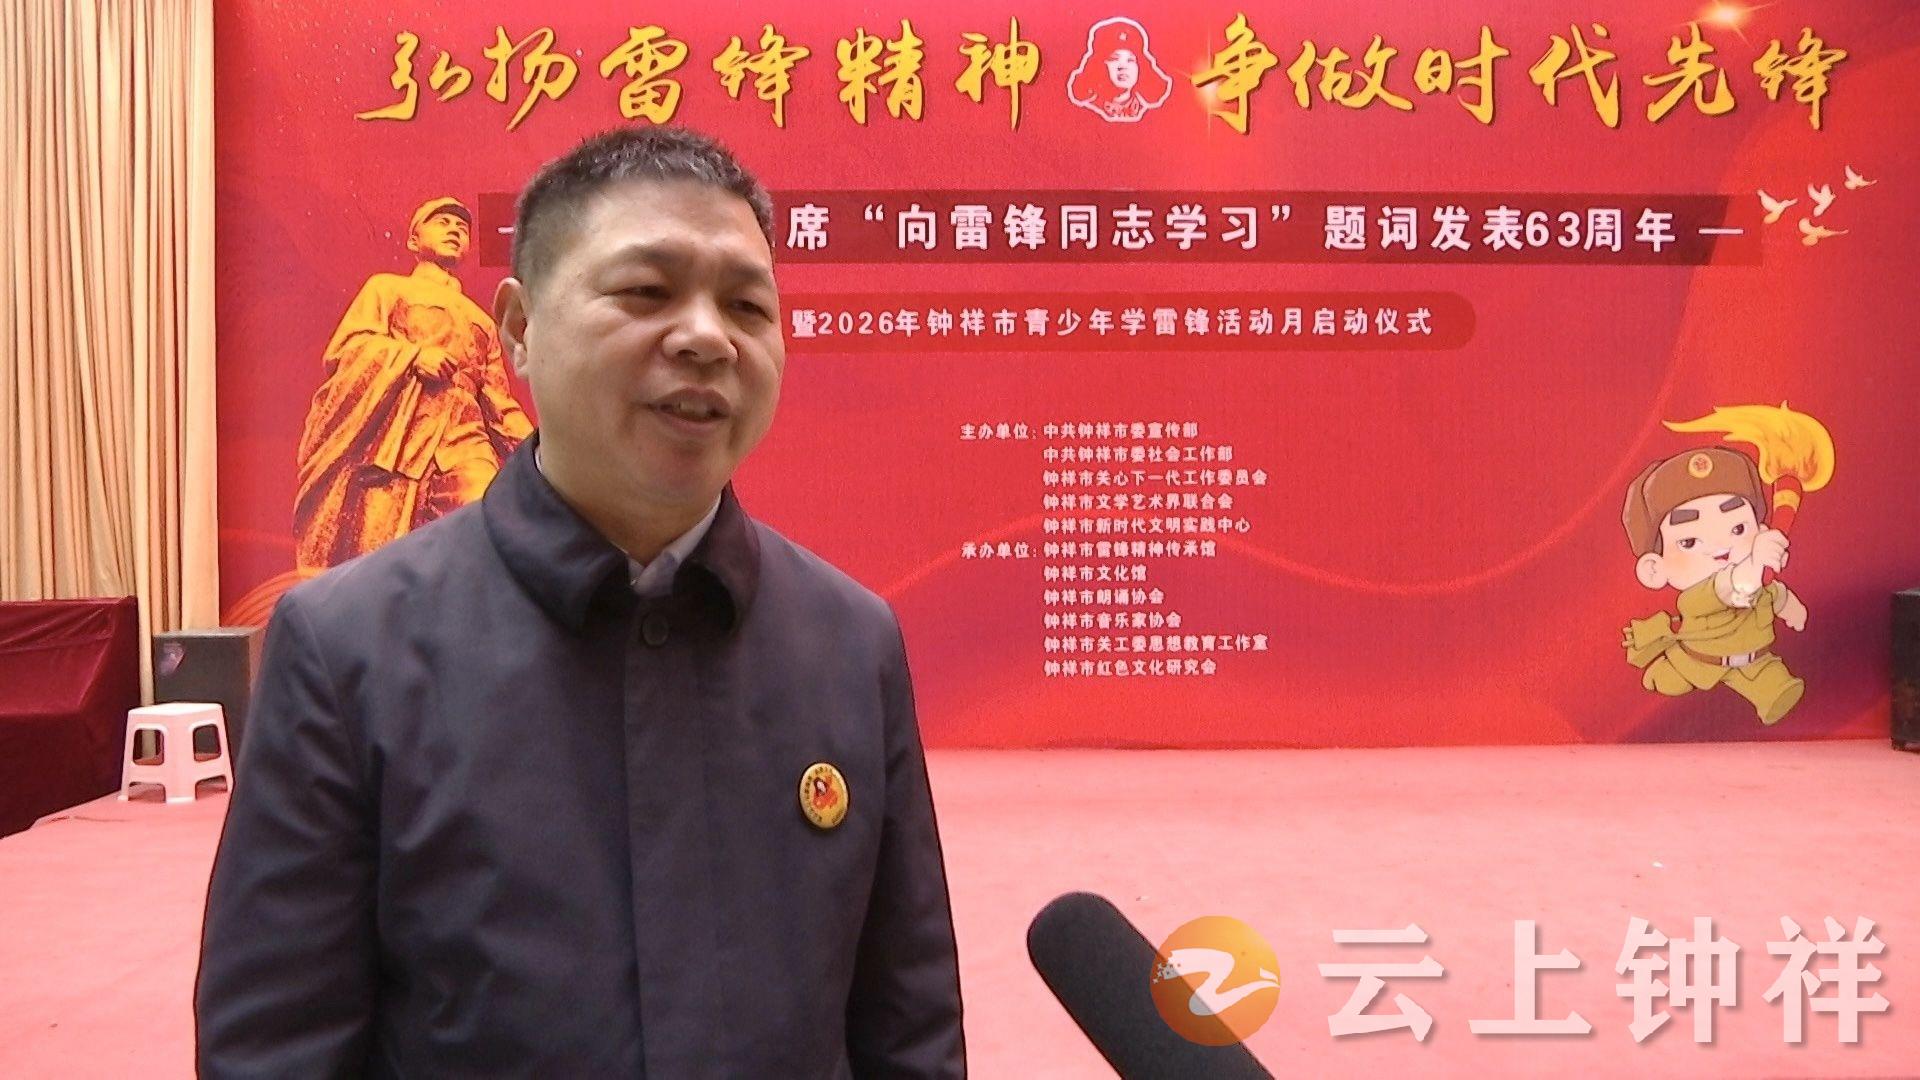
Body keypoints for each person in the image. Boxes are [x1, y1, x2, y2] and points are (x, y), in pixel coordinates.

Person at [197, 128, 966, 1076]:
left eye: (747, 305)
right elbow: (277, 1047)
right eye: (646, 291)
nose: (707, 337)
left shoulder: (850, 641)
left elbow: (908, 1027)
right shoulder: (348, 647)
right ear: (518, 328)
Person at [292, 196, 532, 572]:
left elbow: (498, 401)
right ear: (413, 240)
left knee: (483, 515)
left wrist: (538, 448)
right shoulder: (387, 289)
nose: (454, 230)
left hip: (463, 440)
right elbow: (348, 348)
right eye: (442, 223)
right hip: (397, 441)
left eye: (462, 227)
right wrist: (411, 356)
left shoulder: (481, 321)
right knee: (379, 550)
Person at [1620, 446, 1808, 724]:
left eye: (1738, 529)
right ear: (1655, 569)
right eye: (1688, 542)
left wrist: (1792, 609)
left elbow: (1774, 595)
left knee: (1779, 689)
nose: (1722, 547)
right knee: (1669, 681)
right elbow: (1733, 586)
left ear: (1761, 532)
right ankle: (1671, 665)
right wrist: (1757, 562)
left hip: (1755, 661)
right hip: (1698, 661)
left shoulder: (1762, 584)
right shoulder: (1694, 598)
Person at [1066, 17, 1173, 123]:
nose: (1123, 67)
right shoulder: (1085, 113)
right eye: (1114, 59)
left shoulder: (1155, 115)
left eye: (1130, 60)